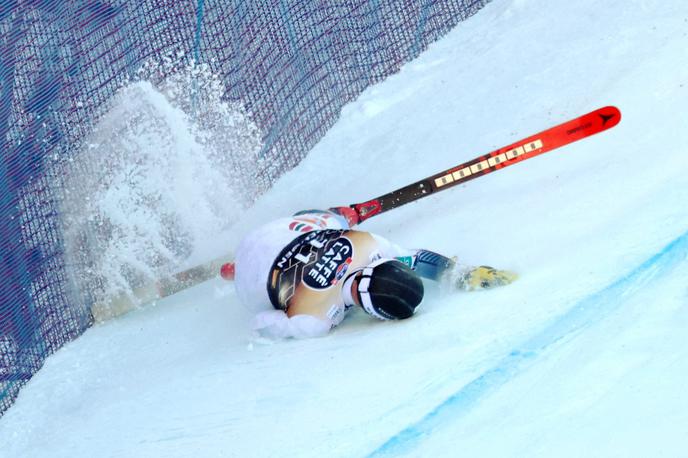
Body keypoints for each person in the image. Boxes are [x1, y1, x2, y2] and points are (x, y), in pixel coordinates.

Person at [227, 208, 516, 339]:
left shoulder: (369, 244)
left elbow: (418, 259)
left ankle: (336, 213)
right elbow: (261, 323)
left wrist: (459, 272)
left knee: (331, 220)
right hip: (249, 279)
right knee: (265, 298)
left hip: (279, 229)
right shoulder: (314, 320)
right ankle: (232, 271)